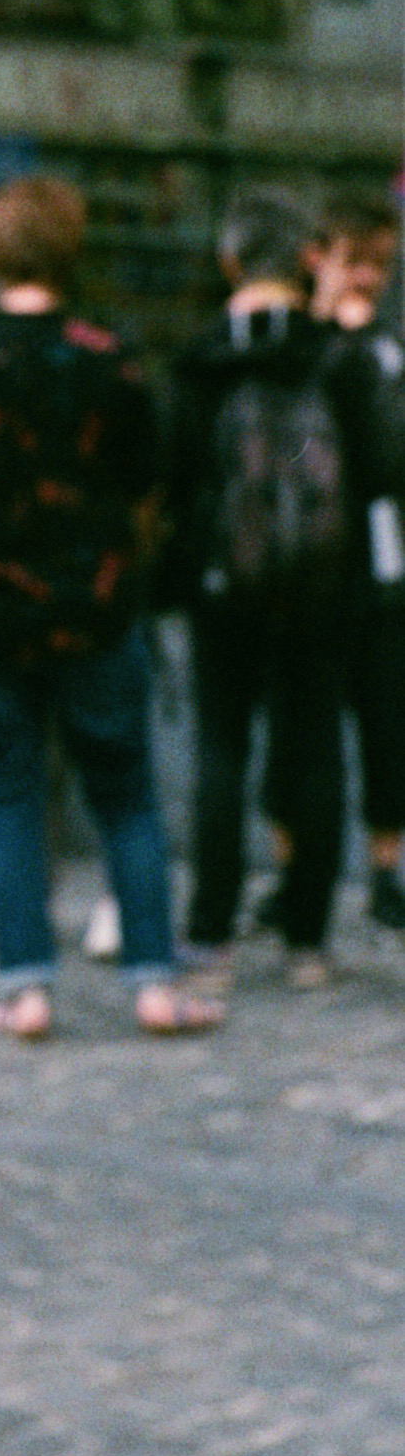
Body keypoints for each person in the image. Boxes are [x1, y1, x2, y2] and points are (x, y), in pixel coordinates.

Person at [0, 176, 218, 1041]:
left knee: (5, 795)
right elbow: (150, 473)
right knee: (126, 794)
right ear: (71, 253)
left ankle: (25, 986)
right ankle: (154, 980)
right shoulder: (109, 356)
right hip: (96, 609)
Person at [166, 189, 378, 989]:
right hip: (323, 584)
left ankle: (213, 930)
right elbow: (381, 469)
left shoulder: (201, 356)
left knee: (221, 744)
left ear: (230, 259)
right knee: (316, 748)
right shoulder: (337, 355)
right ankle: (307, 940)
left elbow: (178, 469)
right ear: (306, 259)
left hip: (223, 582)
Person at [314, 187, 405, 931]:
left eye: (380, 262)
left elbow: (386, 457)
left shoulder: (388, 347)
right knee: (305, 730)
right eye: (356, 262)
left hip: (380, 567)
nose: (368, 277)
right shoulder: (308, 346)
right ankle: (299, 870)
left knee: (384, 724)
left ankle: (383, 867)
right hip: (308, 563)